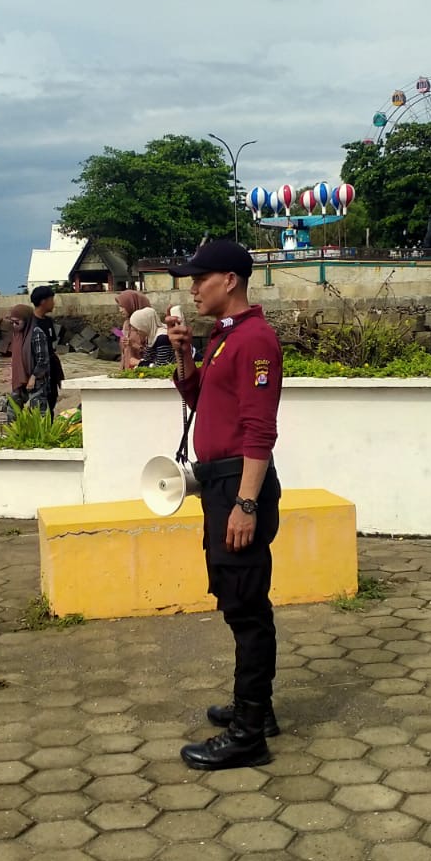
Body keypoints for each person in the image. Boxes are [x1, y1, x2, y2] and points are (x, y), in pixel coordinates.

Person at [165, 240, 283, 770]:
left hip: (239, 485)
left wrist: (246, 504)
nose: (193, 289)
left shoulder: (254, 340)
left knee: (246, 607)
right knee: (237, 599)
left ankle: (249, 734)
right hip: (221, 485)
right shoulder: (224, 336)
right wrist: (183, 355)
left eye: (200, 278)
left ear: (230, 280)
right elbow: (203, 402)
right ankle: (256, 708)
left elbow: (259, 430)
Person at [25, 285, 63, 416]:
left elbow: (51, 348)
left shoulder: (48, 321)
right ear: (43, 301)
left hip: (51, 368)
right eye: (51, 300)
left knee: (51, 402)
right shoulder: (30, 323)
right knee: (39, 408)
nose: (54, 303)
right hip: (36, 372)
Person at [5, 303, 34, 412]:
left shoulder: (35, 335)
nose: (14, 325)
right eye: (12, 322)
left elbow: (43, 359)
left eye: (17, 322)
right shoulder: (16, 335)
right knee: (13, 410)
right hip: (19, 383)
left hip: (35, 381)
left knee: (38, 411)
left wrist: (33, 377)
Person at [115, 290, 152, 369]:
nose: (120, 310)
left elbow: (152, 353)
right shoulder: (126, 323)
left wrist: (134, 345)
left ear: (132, 305)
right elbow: (124, 351)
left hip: (141, 369)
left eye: (123, 307)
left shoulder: (145, 325)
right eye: (119, 307)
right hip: (127, 370)